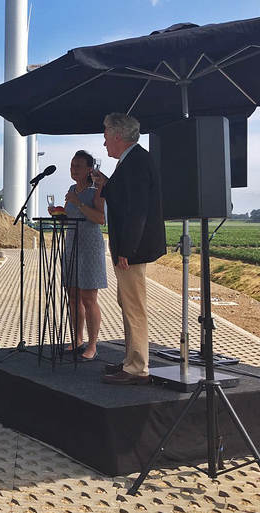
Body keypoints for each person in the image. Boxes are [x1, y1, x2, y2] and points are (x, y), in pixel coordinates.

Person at [93, 112, 166, 385]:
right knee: (126, 302)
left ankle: (137, 367)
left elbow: (138, 211)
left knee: (134, 306)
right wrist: (106, 185)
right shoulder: (132, 160)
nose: (104, 144)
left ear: (117, 136)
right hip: (129, 246)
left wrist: (127, 250)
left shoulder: (135, 162)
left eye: (105, 137)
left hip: (132, 248)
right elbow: (126, 197)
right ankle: (130, 360)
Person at [49, 150, 107, 361]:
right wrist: (57, 214)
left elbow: (100, 218)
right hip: (71, 245)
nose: (73, 170)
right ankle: (77, 339)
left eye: (78, 166)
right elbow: (68, 218)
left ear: (89, 169)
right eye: (72, 165)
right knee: (72, 295)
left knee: (88, 298)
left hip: (90, 247)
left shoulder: (96, 190)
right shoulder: (72, 189)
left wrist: (78, 202)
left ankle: (92, 345)